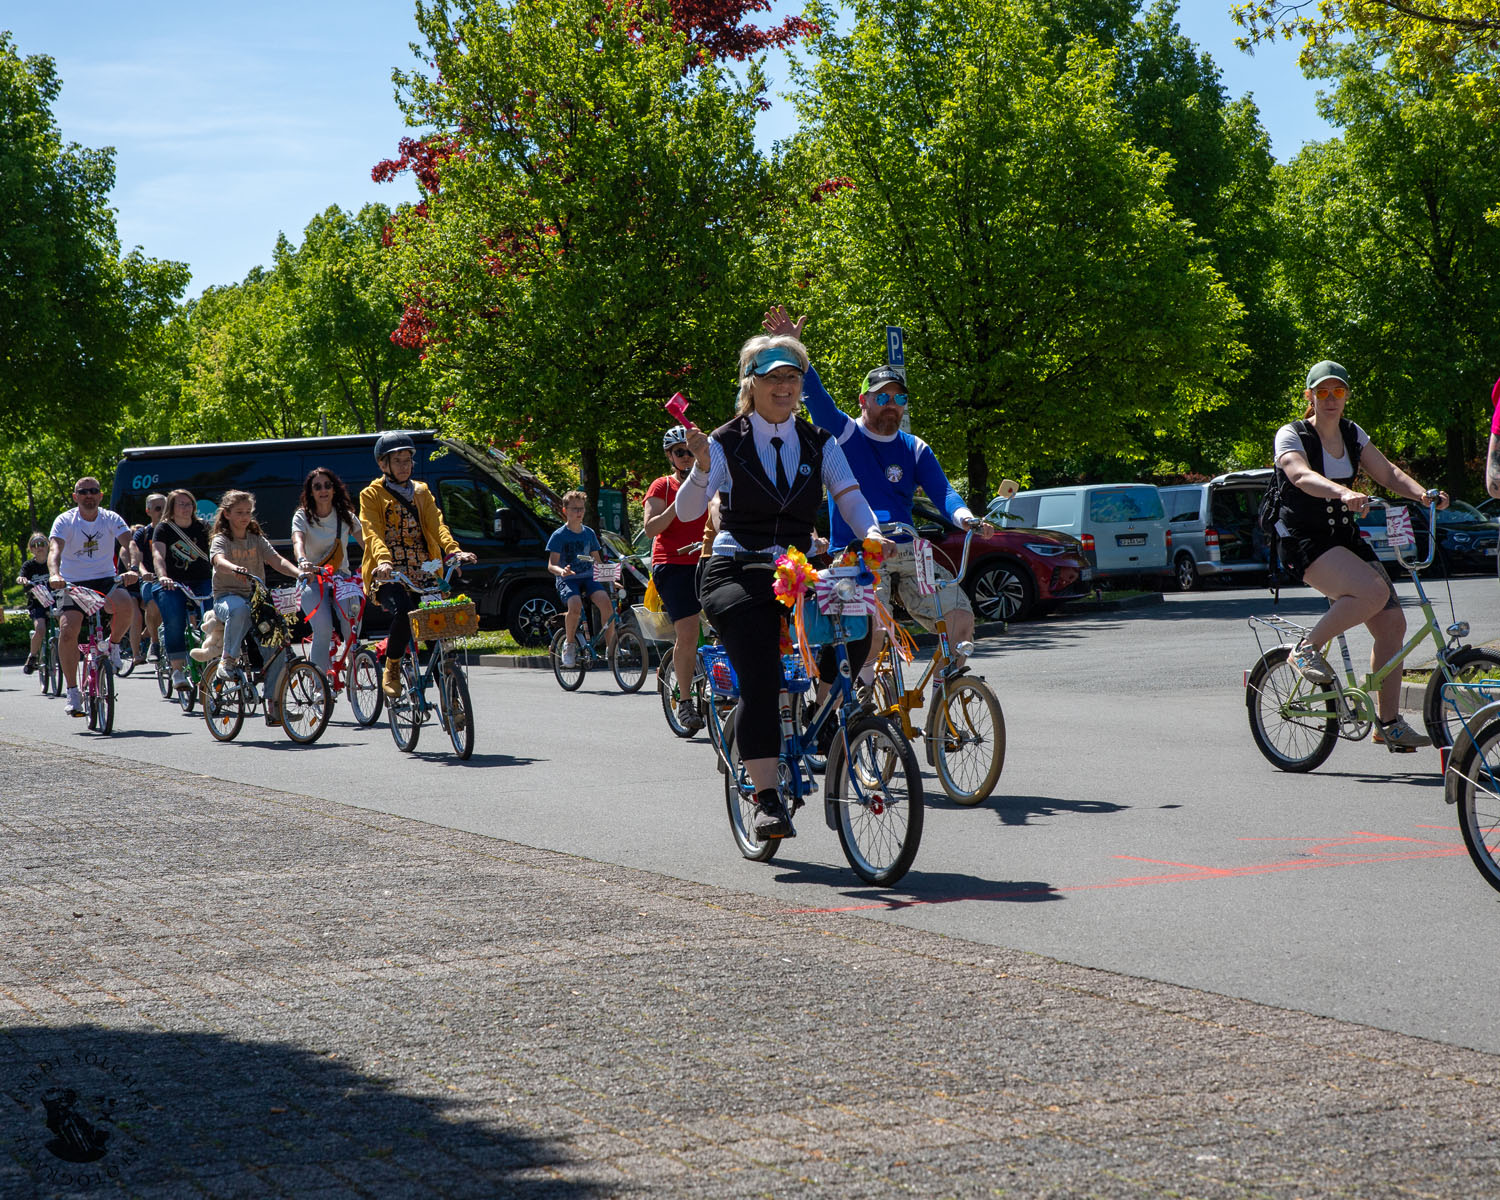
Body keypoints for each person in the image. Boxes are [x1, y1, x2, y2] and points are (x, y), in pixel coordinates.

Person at [673, 332, 889, 839]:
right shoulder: (725, 440)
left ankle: (821, 711)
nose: (785, 386)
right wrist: (702, 469)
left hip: (802, 569)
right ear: (753, 383)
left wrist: (875, 534)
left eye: (793, 377)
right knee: (762, 676)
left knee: (857, 632)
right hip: (736, 571)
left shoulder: (820, 442)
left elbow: (850, 498)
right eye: (774, 377)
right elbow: (685, 512)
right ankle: (767, 797)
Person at [763, 307, 987, 693]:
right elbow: (818, 400)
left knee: (960, 617)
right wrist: (796, 349)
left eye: (900, 397)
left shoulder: (915, 448)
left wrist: (965, 516)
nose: (892, 403)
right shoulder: (846, 435)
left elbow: (944, 492)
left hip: (907, 550)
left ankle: (943, 699)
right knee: (872, 633)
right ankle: (861, 709)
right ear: (864, 400)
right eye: (883, 395)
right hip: (856, 551)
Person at [1274, 360, 1448, 751]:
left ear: (1347, 395)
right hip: (1303, 539)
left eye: (1339, 391)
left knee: (1392, 624)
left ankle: (1387, 723)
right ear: (1310, 397)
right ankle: (1304, 650)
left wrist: (1423, 494)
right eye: (1322, 392)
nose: (1331, 399)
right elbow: (1299, 475)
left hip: (1343, 536)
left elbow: (1387, 473)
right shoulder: (1293, 434)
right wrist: (1341, 492)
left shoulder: (1353, 434)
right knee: (1371, 591)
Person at [358, 432, 476, 698]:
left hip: (423, 569)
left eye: (408, 460)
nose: (404, 466)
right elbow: (372, 532)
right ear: (383, 464)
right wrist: (385, 561)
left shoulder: (421, 491)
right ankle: (393, 665)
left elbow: (437, 525)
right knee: (405, 611)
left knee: (436, 625)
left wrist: (454, 551)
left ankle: (451, 700)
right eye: (397, 460)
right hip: (388, 572)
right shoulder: (371, 494)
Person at [209, 490, 308, 725]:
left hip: (256, 600)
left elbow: (277, 560)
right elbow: (218, 560)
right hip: (227, 598)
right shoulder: (221, 539)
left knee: (276, 649)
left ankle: (274, 709)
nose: (245, 517)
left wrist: (299, 573)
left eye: (248, 512)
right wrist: (234, 568)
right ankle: (228, 661)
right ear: (227, 514)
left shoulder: (256, 538)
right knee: (239, 609)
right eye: (239, 513)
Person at [48, 477, 139, 717]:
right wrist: (54, 574)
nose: (89, 495)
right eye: (83, 491)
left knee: (125, 604)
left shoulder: (111, 518)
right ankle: (72, 692)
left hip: (105, 580)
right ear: (75, 496)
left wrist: (133, 569)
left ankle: (114, 645)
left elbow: (129, 544)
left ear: (100, 495)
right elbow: (54, 550)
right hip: (72, 582)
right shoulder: (65, 521)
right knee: (68, 631)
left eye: (94, 491)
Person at [642, 429, 711, 727]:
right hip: (673, 563)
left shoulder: (709, 481)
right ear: (670, 457)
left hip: (706, 559)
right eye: (680, 452)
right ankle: (684, 702)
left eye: (690, 450)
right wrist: (679, 501)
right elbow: (650, 528)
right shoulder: (662, 486)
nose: (687, 456)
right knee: (689, 630)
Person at [292, 468, 364, 681]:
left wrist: (379, 564)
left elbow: (367, 545)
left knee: (351, 618)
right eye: (317, 487)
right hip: (312, 577)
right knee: (323, 628)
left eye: (327, 485)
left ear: (334, 489)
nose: (323, 490)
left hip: (340, 576)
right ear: (311, 492)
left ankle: (352, 664)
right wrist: (303, 561)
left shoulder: (346, 516)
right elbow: (298, 541)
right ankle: (319, 683)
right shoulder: (302, 516)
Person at [153, 489, 214, 694]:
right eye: (181, 504)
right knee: (174, 617)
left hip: (202, 580)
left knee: (214, 617)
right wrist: (163, 576)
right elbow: (158, 556)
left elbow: (215, 552)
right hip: (173, 582)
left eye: (189, 503)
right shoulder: (163, 529)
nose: (186, 507)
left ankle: (214, 662)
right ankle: (177, 670)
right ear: (172, 507)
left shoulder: (203, 527)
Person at [546, 491, 615, 668]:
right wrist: (562, 571)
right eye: (575, 509)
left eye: (582, 509)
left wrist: (611, 580)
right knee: (575, 605)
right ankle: (569, 645)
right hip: (568, 579)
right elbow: (551, 565)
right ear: (565, 511)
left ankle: (611, 647)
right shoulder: (559, 535)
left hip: (588, 578)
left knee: (606, 603)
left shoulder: (589, 533)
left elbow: (597, 561)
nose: (579, 512)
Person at [126, 493, 167, 664]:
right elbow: (138, 558)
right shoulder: (143, 533)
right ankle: (155, 643)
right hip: (152, 579)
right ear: (148, 511)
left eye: (165, 508)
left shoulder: (174, 530)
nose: (162, 512)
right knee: (152, 602)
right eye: (158, 508)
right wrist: (143, 573)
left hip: (173, 579)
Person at [17, 533, 50, 675]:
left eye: (42, 544)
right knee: (40, 629)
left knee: (68, 626)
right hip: (38, 603)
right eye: (35, 545)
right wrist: (22, 579)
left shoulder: (54, 562)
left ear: (48, 545)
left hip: (57, 600)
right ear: (31, 549)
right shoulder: (29, 565)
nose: (39, 548)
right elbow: (22, 576)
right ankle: (33, 656)